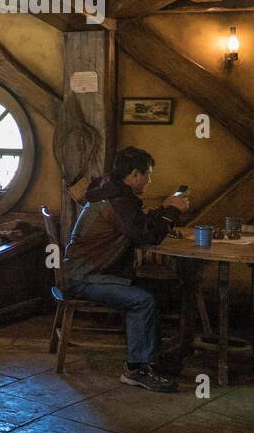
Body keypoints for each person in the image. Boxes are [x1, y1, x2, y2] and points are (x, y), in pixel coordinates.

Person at [62, 146, 190, 392]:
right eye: (148, 175)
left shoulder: (113, 192)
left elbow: (137, 225)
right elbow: (146, 234)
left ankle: (153, 359)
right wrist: (172, 210)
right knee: (143, 301)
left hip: (92, 271)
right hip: (85, 277)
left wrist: (164, 210)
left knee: (161, 292)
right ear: (134, 175)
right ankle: (137, 370)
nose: (150, 180)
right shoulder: (117, 200)